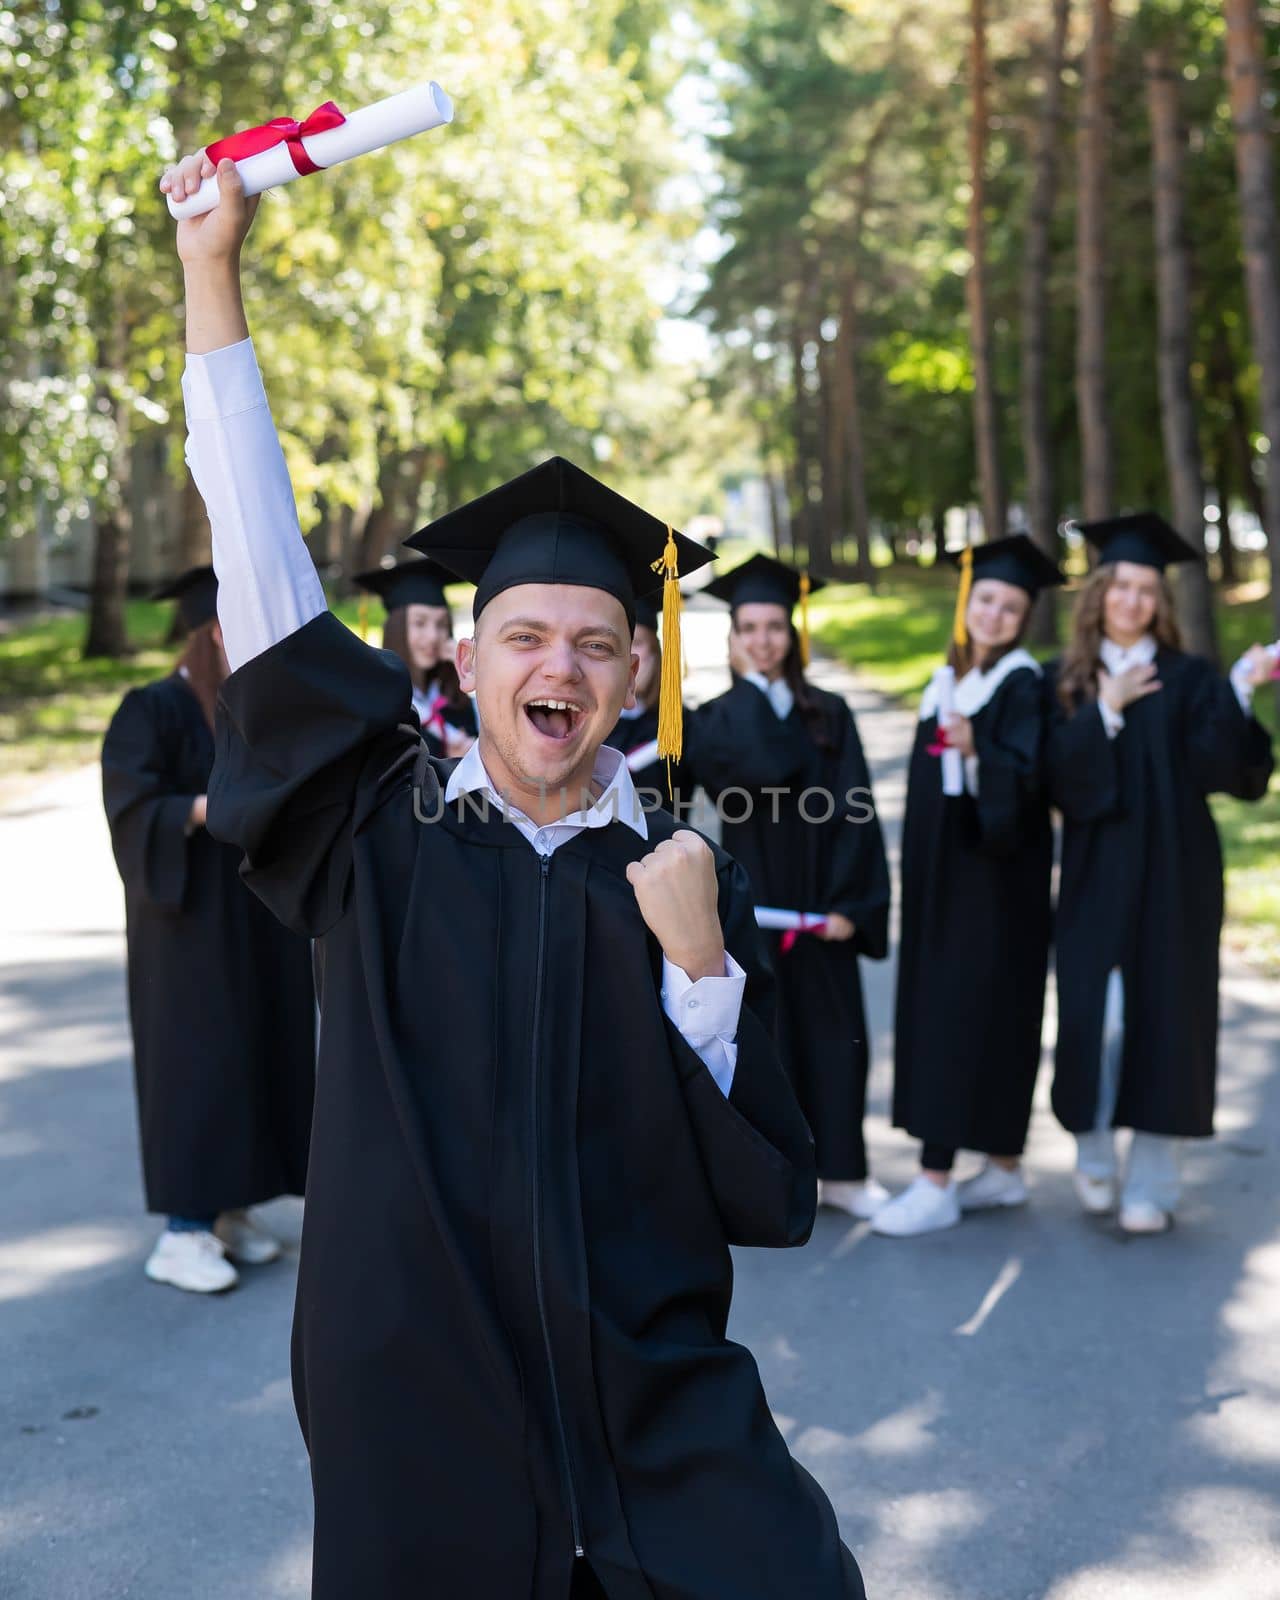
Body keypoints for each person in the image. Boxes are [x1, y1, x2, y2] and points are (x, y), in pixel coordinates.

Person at [166, 151, 865, 1599]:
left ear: (631, 676)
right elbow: (259, 558)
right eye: (524, 635)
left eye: (596, 642)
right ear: (467, 659)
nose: (559, 664)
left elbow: (772, 1193)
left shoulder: (684, 876)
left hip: (651, 1396)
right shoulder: (372, 832)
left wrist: (704, 975)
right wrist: (211, 273)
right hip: (419, 1395)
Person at [1045, 511, 1275, 1235]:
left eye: (1148, 590)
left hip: (1178, 875)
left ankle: (1153, 1181)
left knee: (1168, 1020)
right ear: (1099, 593)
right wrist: (1105, 713)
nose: (1134, 601)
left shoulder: (1189, 677)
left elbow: (1229, 776)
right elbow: (1054, 784)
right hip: (1094, 876)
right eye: (1121, 587)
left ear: (1160, 601)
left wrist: (1238, 692)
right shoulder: (1066, 679)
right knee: (1097, 1019)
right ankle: (1092, 1151)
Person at [101, 565, 315, 1293]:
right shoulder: (152, 709)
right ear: (214, 632)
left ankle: (229, 1211)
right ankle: (183, 1230)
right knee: (198, 1064)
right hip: (186, 925)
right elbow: (133, 809)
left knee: (256, 1051)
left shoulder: (248, 709)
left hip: (254, 916)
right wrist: (205, 811)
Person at [872, 534, 1063, 1238]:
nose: (994, 614)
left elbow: (1029, 780)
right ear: (966, 601)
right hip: (943, 885)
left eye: (1011, 606)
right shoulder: (948, 678)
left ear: (1024, 617)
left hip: (993, 890)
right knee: (984, 1016)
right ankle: (1005, 1171)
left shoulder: (1020, 683)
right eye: (986, 599)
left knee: (964, 1018)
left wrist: (981, 751)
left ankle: (936, 1180)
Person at [691, 554, 892, 1222]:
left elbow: (856, 809)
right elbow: (751, 775)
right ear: (732, 637)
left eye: (774, 626)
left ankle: (843, 1175)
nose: (762, 639)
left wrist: (850, 905)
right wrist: (754, 694)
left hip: (820, 906)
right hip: (755, 907)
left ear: (793, 632)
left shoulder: (830, 713)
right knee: (767, 1048)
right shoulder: (716, 718)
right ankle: (772, 1182)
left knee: (835, 1043)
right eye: (748, 627)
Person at [353, 556, 478, 757]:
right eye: (420, 623)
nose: (433, 636)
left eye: (441, 624)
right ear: (397, 629)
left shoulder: (453, 696)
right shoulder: (378, 703)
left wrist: (466, 671)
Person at [601, 591, 690, 811]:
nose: (628, 653)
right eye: (617, 642)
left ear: (655, 653)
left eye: (637, 642)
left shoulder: (679, 724)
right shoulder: (582, 721)